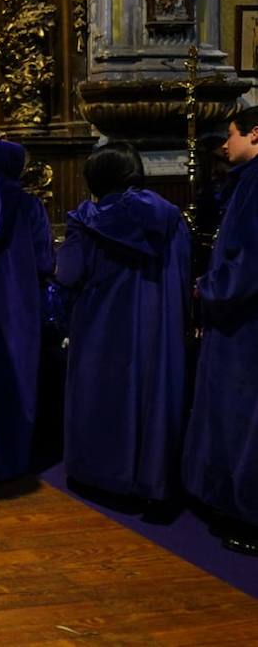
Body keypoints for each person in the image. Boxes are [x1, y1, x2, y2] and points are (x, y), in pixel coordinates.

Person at [54, 142, 189, 506]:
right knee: (151, 397)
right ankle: (151, 479)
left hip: (103, 324)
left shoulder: (86, 219)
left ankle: (103, 476)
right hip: (156, 323)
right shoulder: (170, 216)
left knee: (103, 396)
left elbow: (68, 274)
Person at [184, 106, 258, 556]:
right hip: (241, 317)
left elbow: (250, 259)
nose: (225, 145)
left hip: (246, 322)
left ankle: (246, 515)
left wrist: (207, 290)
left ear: (255, 133)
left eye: (231, 135)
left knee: (243, 416)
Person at [0, 138, 55, 481]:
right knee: (18, 377)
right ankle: (15, 459)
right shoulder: (30, 205)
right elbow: (44, 260)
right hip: (21, 304)